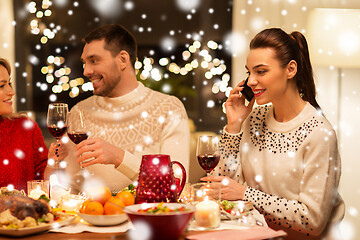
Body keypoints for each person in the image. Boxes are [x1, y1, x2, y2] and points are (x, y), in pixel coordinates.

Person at [202, 28, 345, 239]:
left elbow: (312, 220)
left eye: (261, 72)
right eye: (249, 72)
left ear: (291, 69)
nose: (250, 81)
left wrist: (245, 194)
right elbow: (220, 189)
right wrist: (234, 126)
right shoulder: (254, 119)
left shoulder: (318, 133)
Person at [46, 24, 190, 192]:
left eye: (94, 60)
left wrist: (119, 158)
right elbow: (70, 187)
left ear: (122, 60)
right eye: (84, 63)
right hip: (91, 216)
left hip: (148, 215)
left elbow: (175, 185)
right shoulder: (79, 112)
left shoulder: (169, 109)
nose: (86, 71)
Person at [0, 57, 50, 193]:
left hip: (25, 213)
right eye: (1, 86)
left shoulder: (25, 128)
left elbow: (44, 185)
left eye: (9, 84)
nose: (11, 92)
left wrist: (55, 161)